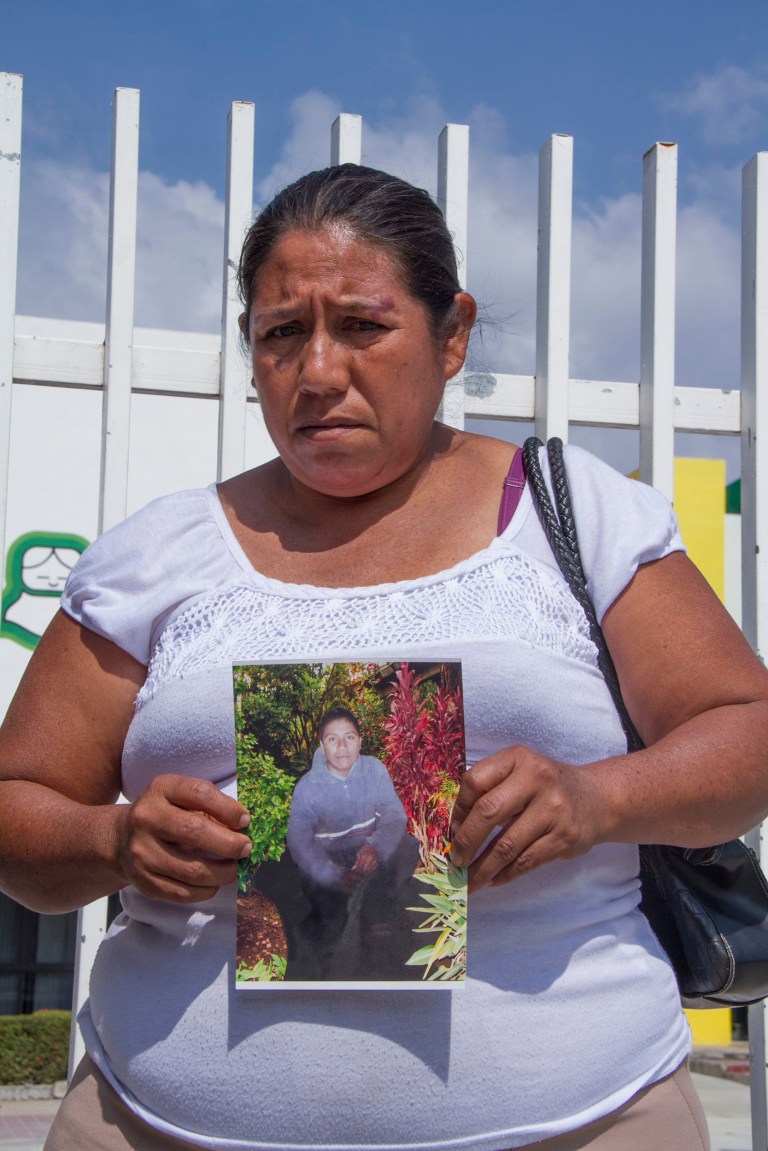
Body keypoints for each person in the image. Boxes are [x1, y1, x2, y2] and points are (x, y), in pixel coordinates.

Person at [1, 162, 767, 1151]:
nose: (319, 370)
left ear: (452, 334)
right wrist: (113, 841)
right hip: (158, 1123)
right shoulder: (155, 553)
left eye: (362, 325)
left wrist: (597, 799)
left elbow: (746, 733)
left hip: (581, 1117)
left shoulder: (574, 514)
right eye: (282, 333)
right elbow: (18, 802)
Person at [284, 705, 420, 978]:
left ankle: (379, 908)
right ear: (322, 745)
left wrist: (376, 847)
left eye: (350, 737)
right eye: (333, 739)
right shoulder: (307, 787)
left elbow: (394, 814)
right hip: (330, 856)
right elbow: (298, 840)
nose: (342, 746)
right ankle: (332, 920)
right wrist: (334, 875)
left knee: (407, 846)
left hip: (366, 849)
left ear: (360, 741)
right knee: (306, 879)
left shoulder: (374, 770)